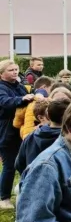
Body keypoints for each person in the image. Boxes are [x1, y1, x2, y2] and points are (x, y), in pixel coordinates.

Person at [0, 59, 31, 210]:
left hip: (22, 131)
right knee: (9, 166)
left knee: (25, 164)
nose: (15, 72)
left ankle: (25, 191)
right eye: (11, 70)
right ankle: (4, 198)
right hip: (7, 133)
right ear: (1, 74)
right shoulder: (1, 87)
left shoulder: (20, 86)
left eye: (16, 69)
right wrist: (22, 99)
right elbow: (5, 102)